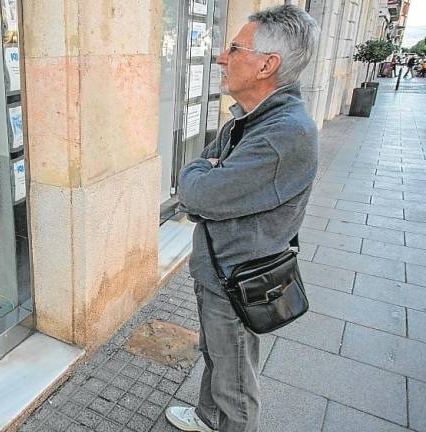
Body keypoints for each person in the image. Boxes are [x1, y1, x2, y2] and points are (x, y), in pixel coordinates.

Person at [164, 5, 319, 432]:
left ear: (267, 65)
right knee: (216, 353)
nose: (221, 57)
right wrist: (204, 183)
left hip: (238, 278)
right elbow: (200, 183)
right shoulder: (252, 119)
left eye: (234, 48)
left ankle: (225, 421)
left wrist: (203, 183)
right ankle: (206, 417)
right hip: (219, 270)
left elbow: (198, 190)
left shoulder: (283, 134)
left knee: (235, 381)